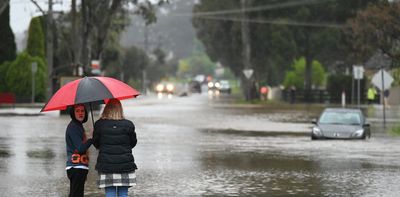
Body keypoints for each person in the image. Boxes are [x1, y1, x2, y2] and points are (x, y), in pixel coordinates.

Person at [93, 99, 137, 197]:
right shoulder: (129, 125)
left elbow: (96, 144)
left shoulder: (99, 124)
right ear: (120, 109)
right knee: (123, 194)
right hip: (125, 165)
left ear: (106, 109)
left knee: (110, 193)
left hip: (106, 165)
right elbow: (133, 143)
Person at [65, 104, 93, 197]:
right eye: (77, 111)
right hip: (76, 167)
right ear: (73, 113)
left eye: (82, 111)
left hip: (79, 167)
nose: (80, 113)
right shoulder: (73, 127)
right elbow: (80, 148)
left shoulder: (78, 126)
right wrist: (91, 140)